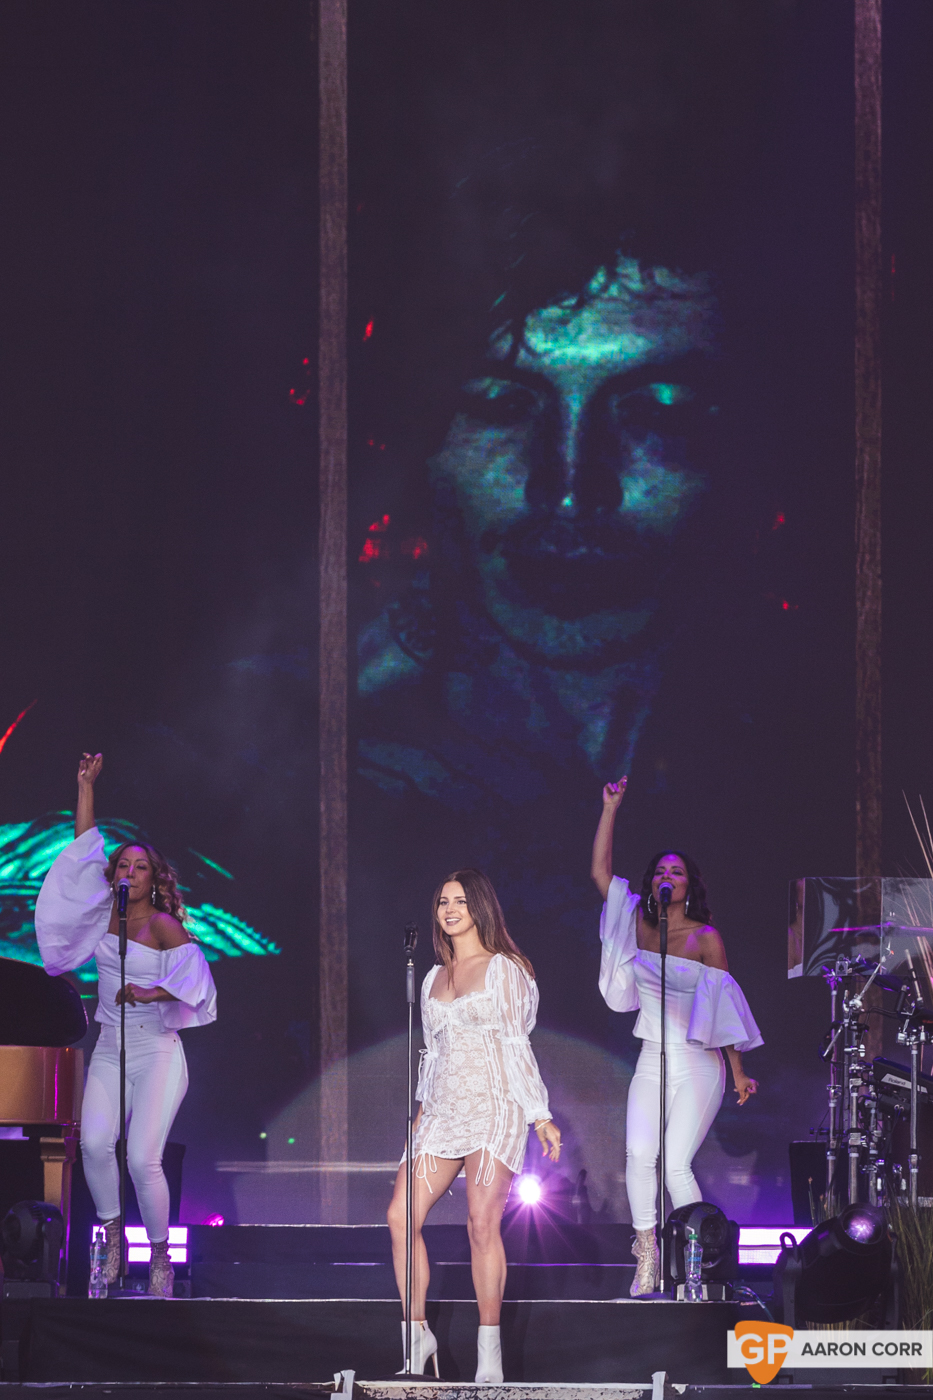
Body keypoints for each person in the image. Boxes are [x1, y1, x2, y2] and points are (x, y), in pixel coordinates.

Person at [34, 754, 217, 1298]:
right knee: (93, 1144)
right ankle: (112, 1239)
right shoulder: (100, 918)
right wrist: (86, 787)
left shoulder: (162, 925)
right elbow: (83, 848)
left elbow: (197, 980)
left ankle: (158, 1253)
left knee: (142, 1158)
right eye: (122, 866)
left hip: (157, 1051)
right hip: (110, 1049)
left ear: (155, 879)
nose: (128, 873)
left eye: (140, 867)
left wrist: (148, 990)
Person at [386, 868, 561, 1382]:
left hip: (494, 1105)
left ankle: (490, 1354)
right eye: (442, 900)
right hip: (441, 1111)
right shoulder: (431, 976)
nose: (449, 908)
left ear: (479, 906)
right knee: (401, 1215)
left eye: (460, 900)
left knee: (481, 1224)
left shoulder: (505, 969)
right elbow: (432, 1054)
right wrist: (419, 1116)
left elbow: (515, 1045)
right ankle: (415, 1336)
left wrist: (540, 1115)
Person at [590, 776, 761, 1296]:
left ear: (689, 884)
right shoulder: (637, 925)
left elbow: (724, 1009)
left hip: (698, 1062)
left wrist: (737, 1070)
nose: (668, 876)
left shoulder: (706, 938)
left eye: (677, 871)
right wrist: (610, 808)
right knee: (639, 1156)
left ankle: (696, 1265)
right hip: (652, 1055)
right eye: (661, 870)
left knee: (676, 1162)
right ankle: (647, 1256)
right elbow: (601, 874)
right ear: (653, 882)